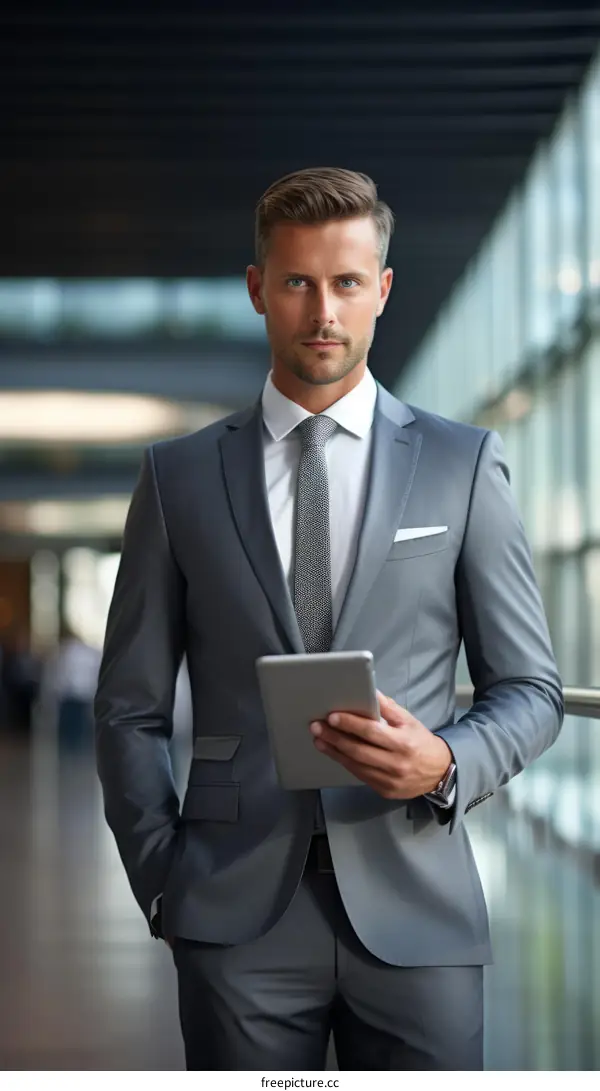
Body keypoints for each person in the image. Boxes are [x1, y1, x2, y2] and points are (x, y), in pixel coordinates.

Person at [94, 167, 564, 1071]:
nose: (324, 312)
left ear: (382, 290)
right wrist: (164, 882)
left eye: (347, 282)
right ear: (257, 288)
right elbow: (129, 706)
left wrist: (449, 762)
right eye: (299, 281)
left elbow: (531, 688)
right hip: (233, 919)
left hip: (420, 907)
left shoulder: (462, 465)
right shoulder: (179, 477)